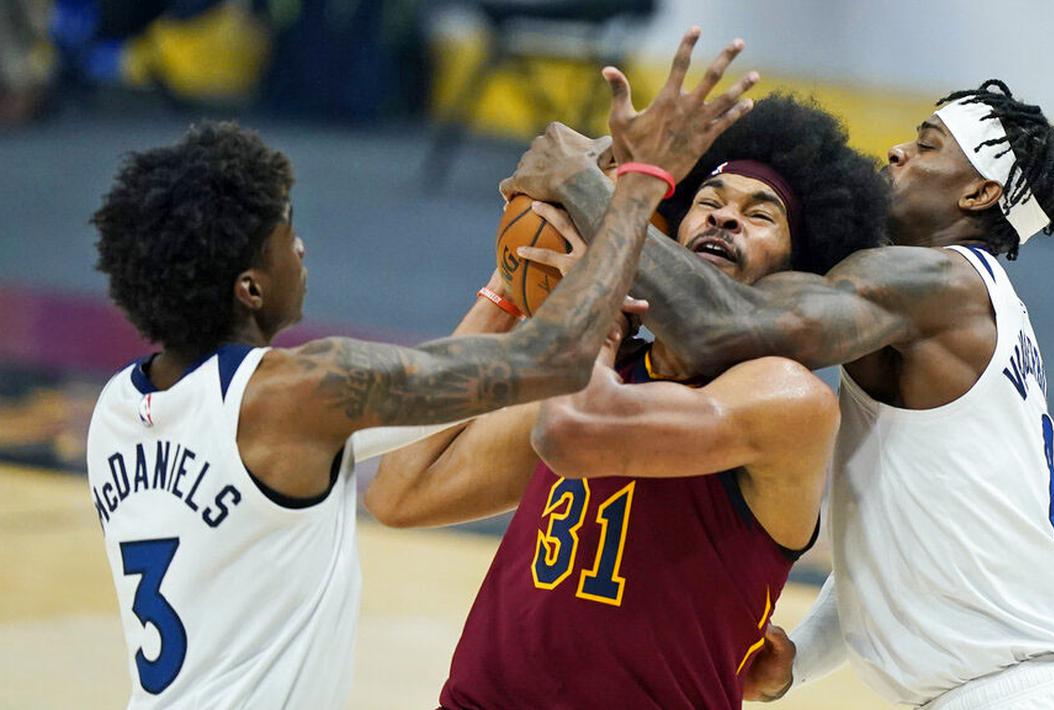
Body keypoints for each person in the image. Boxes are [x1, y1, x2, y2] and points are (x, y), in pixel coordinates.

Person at [83, 26, 755, 708]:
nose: (303, 248)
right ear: (249, 287)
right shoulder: (305, 392)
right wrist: (640, 183)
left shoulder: (116, 408)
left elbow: (428, 443)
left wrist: (513, 271)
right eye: (286, 234)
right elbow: (553, 358)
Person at [501, 80, 1054, 708]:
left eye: (928, 146)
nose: (897, 152)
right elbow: (902, 536)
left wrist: (589, 189)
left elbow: (722, 327)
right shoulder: (970, 309)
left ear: (980, 193)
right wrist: (804, 655)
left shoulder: (932, 280)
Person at [366, 93, 888, 708]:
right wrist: (510, 283)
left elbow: (577, 432)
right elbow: (399, 490)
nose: (723, 220)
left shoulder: (785, 397)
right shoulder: (605, 372)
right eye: (708, 204)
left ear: (798, 275)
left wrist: (594, 297)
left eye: (759, 214)